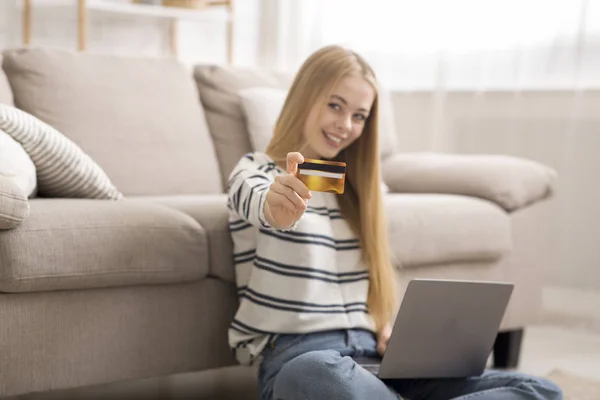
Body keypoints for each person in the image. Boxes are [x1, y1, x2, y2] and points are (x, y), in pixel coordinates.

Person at [226, 45, 562, 400]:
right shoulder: (256, 171)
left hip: (379, 368)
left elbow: (369, 292)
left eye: (359, 116)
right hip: (304, 358)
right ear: (303, 97)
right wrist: (276, 209)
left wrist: (387, 328)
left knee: (540, 389)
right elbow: (255, 199)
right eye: (335, 105)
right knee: (312, 373)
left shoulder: (368, 193)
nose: (345, 125)